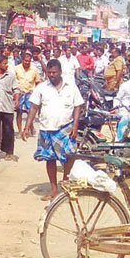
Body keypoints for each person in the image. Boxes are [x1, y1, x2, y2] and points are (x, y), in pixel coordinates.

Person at [21, 59, 85, 201]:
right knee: (50, 159)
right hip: (46, 128)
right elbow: (33, 107)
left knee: (70, 154)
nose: (51, 75)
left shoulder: (71, 87)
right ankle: (54, 189)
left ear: (60, 72)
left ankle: (66, 183)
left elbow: (78, 106)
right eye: (49, 72)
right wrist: (27, 127)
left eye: (54, 72)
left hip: (66, 128)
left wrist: (75, 126)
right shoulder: (42, 88)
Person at [14, 50, 42, 133]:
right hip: (19, 93)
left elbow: (37, 82)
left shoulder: (34, 70)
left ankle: (29, 127)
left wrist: (38, 94)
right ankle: (19, 130)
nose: (27, 62)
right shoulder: (16, 69)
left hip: (30, 93)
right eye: (25, 60)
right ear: (22, 60)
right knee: (19, 112)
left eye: (29, 61)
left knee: (30, 112)